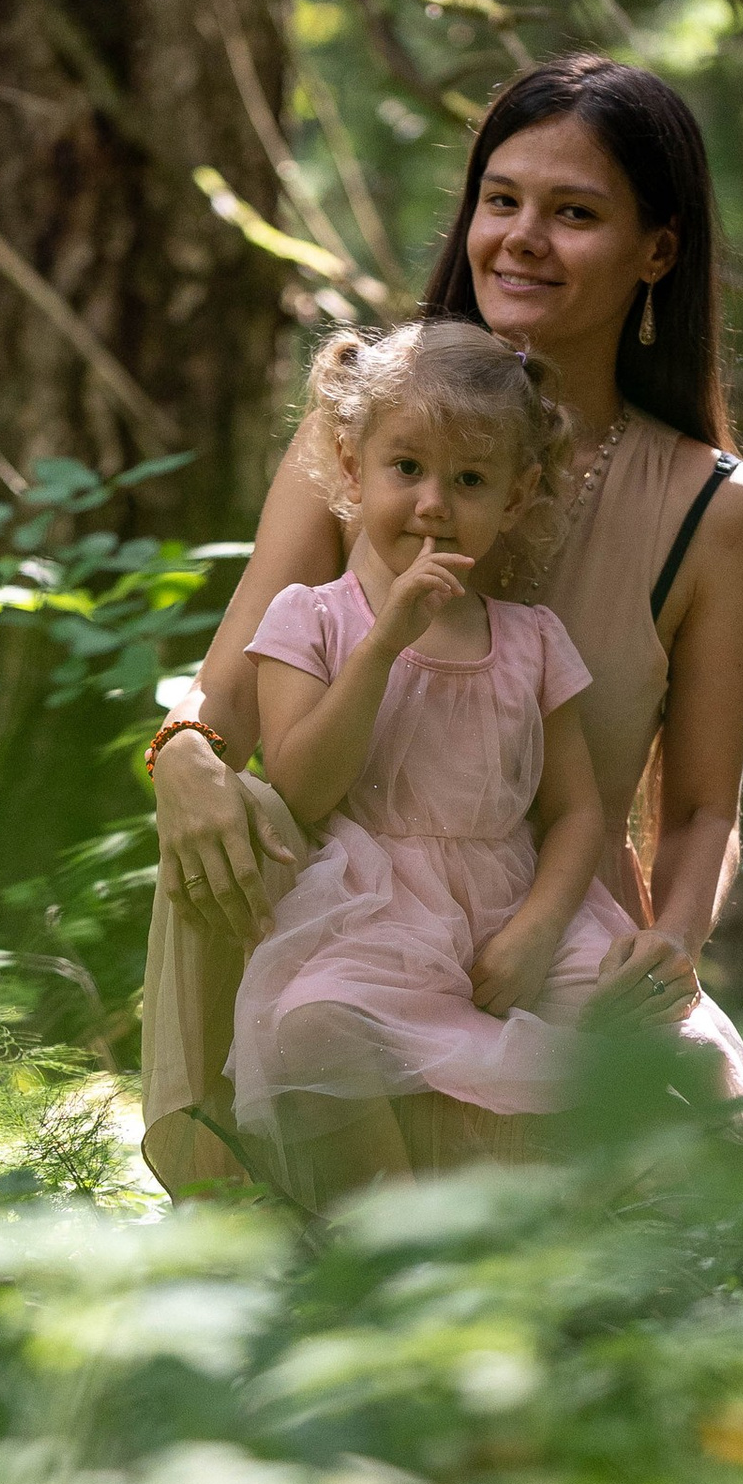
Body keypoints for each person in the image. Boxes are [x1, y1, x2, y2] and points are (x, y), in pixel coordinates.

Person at [143, 52, 743, 1195]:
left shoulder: (712, 509)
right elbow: (231, 678)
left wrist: (674, 942)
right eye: (502, 201)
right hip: (359, 931)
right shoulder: (369, 434)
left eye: (574, 214)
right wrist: (181, 751)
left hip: (550, 945)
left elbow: (702, 808)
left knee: (722, 1210)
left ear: (657, 252)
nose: (522, 238)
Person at [236, 321, 675, 1203]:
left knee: (647, 1035)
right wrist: (384, 642)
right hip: (378, 914)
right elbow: (299, 784)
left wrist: (540, 929)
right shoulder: (309, 620)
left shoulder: (531, 639)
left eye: (470, 480)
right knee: (309, 1030)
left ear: (514, 500)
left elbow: (578, 812)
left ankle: (597, 1246)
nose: (435, 503)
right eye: (408, 469)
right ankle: (387, 1245)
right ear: (352, 470)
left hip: (519, 905)